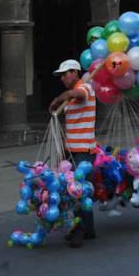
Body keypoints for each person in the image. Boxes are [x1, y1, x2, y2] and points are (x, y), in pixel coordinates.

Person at [49, 59, 96, 248]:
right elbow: (68, 127)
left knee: (78, 193)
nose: (61, 78)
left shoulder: (85, 88)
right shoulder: (69, 100)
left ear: (74, 72)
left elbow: (76, 93)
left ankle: (79, 230)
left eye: (64, 74)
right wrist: (63, 152)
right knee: (78, 192)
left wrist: (58, 99)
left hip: (84, 151)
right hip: (72, 150)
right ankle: (89, 230)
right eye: (60, 75)